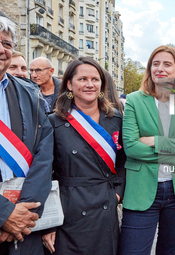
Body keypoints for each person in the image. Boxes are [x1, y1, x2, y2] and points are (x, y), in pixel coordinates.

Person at [0, 15, 53, 255]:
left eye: (7, 44)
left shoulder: (30, 93)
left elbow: (44, 155)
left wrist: (25, 213)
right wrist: (1, 214)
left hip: (26, 228)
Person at [118, 45, 175, 255]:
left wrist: (155, 140)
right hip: (142, 190)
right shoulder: (135, 100)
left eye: (167, 64)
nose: (160, 69)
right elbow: (131, 147)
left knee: (170, 251)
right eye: (155, 64)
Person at [41, 57, 126, 255]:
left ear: (102, 85)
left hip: (105, 207)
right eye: (82, 79)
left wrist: (117, 193)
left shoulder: (115, 119)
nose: (90, 84)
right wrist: (48, 223)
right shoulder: (53, 122)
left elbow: (123, 161)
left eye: (95, 79)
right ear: (69, 84)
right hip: (68, 210)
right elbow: (45, 173)